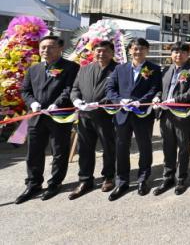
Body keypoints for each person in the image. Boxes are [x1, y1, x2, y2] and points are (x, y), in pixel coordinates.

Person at [16, 35, 80, 204]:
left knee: (59, 151)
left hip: (59, 115)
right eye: (43, 47)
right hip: (36, 116)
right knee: (34, 152)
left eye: (51, 47)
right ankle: (33, 183)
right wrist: (32, 102)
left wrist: (57, 103)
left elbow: (69, 89)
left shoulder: (71, 67)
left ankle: (55, 183)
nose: (46, 50)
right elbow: (25, 91)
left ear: (60, 48)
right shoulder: (34, 69)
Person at [105, 38, 161, 201]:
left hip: (142, 114)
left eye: (142, 48)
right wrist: (119, 100)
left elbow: (155, 89)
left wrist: (140, 101)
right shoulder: (119, 68)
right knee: (121, 147)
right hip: (122, 114)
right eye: (135, 48)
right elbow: (110, 88)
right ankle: (122, 181)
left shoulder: (154, 69)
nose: (138, 51)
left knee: (145, 147)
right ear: (129, 50)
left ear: (147, 50)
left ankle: (143, 179)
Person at [68, 40, 118, 200]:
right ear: (93, 52)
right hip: (85, 117)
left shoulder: (118, 69)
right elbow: (75, 89)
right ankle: (85, 180)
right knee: (84, 149)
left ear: (112, 53)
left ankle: (108, 177)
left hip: (107, 116)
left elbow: (119, 92)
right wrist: (76, 100)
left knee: (109, 148)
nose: (101, 54)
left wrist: (102, 103)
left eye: (105, 51)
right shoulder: (84, 69)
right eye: (98, 51)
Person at [152, 42, 190, 196]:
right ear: (171, 54)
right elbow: (161, 89)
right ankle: (167, 177)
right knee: (168, 147)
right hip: (165, 114)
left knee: (183, 147)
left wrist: (175, 100)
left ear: (187, 55)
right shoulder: (167, 70)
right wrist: (157, 97)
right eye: (175, 52)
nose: (178, 55)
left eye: (182, 52)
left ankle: (181, 179)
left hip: (182, 115)